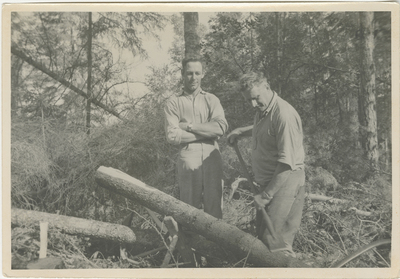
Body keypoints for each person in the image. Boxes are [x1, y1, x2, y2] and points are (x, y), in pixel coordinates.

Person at [227, 72, 305, 257]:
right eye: (249, 101)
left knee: (276, 244)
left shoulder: (284, 115)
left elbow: (287, 164)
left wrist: (267, 195)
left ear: (267, 88)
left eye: (256, 98)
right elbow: (266, 129)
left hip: (285, 182)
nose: (253, 104)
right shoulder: (264, 110)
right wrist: (241, 131)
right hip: (271, 182)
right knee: (264, 238)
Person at [164, 58, 228, 219]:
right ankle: (190, 243)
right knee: (189, 209)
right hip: (188, 158)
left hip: (211, 157)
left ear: (202, 74)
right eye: (189, 73)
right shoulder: (173, 102)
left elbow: (221, 128)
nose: (194, 78)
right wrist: (207, 131)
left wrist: (189, 126)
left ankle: (214, 244)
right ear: (182, 74)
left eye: (197, 73)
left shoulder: (211, 99)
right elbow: (172, 135)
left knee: (214, 210)